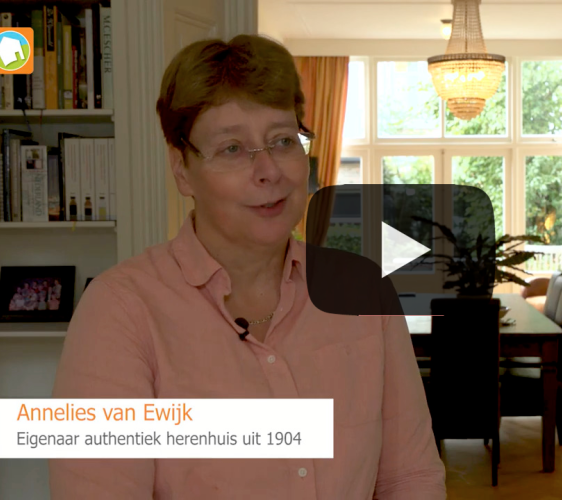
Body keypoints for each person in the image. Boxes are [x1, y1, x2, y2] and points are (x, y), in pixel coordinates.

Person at [49, 34, 445, 499]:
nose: (269, 171)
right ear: (181, 169)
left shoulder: (362, 290)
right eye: (232, 148)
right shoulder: (120, 311)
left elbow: (409, 477)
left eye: (283, 140)